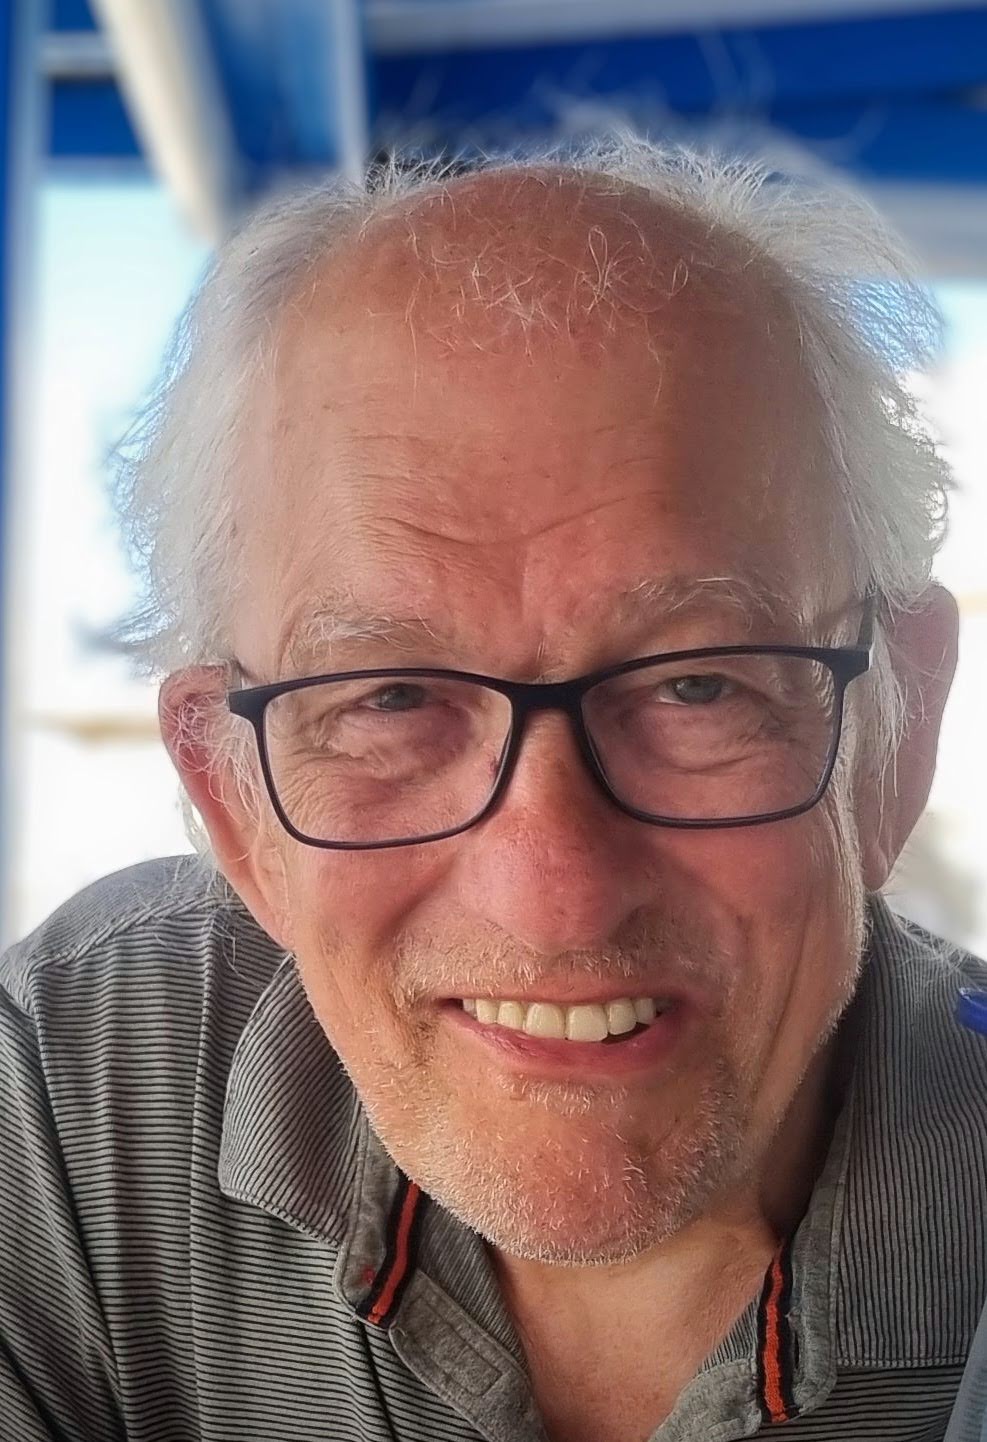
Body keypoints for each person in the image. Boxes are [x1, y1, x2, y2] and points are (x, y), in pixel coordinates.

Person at [2, 139, 986, 1442]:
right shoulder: (76, 1088)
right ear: (233, 805)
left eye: (697, 685)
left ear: (895, 737)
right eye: (390, 699)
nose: (556, 897)